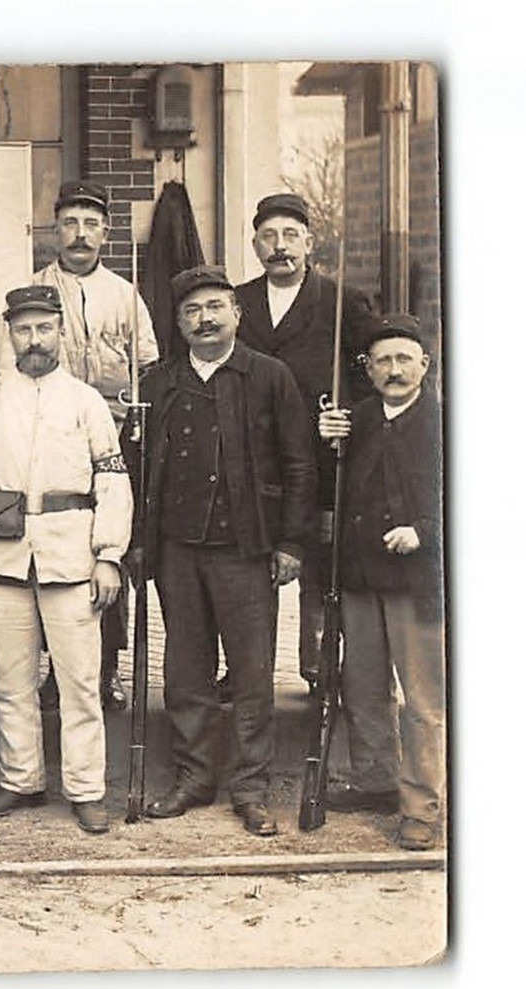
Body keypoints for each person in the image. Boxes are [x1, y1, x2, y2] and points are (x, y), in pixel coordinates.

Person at [0, 286, 133, 834]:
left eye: (44, 328)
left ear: (60, 333)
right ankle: (20, 780)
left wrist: (109, 555)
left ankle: (85, 788)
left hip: (71, 558)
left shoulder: (87, 402)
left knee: (79, 681)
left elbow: (113, 481)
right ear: (10, 333)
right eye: (23, 329)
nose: (34, 340)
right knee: (11, 681)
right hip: (2, 559)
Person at [138, 266, 315, 836]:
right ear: (179, 322)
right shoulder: (158, 383)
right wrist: (139, 544)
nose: (205, 319)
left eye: (216, 306)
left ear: (237, 314)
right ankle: (194, 777)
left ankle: (251, 787)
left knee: (252, 672)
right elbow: (138, 471)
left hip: (247, 548)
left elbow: (298, 464)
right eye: (192, 311)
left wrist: (289, 542)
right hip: (177, 551)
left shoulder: (269, 376)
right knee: (186, 670)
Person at [0, 181, 159, 712]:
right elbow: (5, 374)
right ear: (55, 231)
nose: (80, 234)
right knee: (41, 563)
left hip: (108, 439)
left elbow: (148, 365)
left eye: (91, 223)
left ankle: (104, 670)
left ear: (105, 233)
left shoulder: (124, 295)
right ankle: (47, 673)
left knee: (105, 557)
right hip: (46, 444)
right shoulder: (32, 295)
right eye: (70, 223)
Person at [234, 192, 374, 693]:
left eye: (290, 235)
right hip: (254, 461)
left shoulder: (342, 301)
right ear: (255, 245)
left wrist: (349, 418)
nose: (280, 247)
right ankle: (248, 669)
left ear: (309, 242)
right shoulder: (237, 303)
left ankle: (321, 665)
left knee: (320, 560)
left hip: (320, 461)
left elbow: (373, 381)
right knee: (253, 566)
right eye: (269, 236)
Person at [317, 313, 444, 851]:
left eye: (403, 359)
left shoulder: (446, 422)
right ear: (368, 370)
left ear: (425, 364)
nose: (394, 370)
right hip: (362, 579)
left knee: (422, 699)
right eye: (382, 361)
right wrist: (327, 445)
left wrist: (424, 531)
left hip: (418, 581)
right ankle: (375, 781)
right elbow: (331, 495)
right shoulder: (359, 419)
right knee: (364, 688)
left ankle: (422, 806)